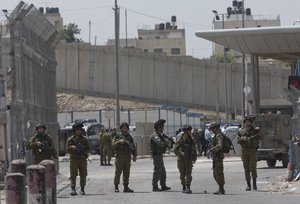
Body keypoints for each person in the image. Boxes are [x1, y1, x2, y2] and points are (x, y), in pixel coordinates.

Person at [65, 122, 91, 196]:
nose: (79, 131)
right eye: (77, 130)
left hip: (82, 159)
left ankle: (82, 189)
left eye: (80, 130)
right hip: (74, 159)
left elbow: (89, 148)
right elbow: (66, 149)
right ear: (74, 131)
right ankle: (73, 189)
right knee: (73, 174)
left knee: (83, 174)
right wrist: (71, 147)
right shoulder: (70, 140)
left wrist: (85, 152)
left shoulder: (84, 139)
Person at [237, 116, 261, 191]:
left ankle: (254, 184)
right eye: (246, 122)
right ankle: (248, 185)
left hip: (252, 150)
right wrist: (242, 138)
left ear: (251, 122)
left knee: (252, 167)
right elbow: (237, 141)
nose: (247, 123)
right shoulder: (241, 131)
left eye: (249, 122)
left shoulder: (255, 130)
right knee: (246, 168)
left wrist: (258, 132)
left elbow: (261, 137)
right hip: (244, 151)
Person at [113, 122, 137, 193]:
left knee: (126, 172)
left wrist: (134, 156)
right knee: (118, 172)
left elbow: (133, 147)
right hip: (119, 156)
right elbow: (113, 145)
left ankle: (126, 187)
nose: (125, 129)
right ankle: (116, 186)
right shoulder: (117, 136)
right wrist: (119, 142)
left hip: (127, 156)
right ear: (121, 129)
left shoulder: (129, 137)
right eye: (123, 128)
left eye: (126, 128)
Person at [173, 125, 197, 194]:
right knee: (182, 174)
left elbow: (194, 148)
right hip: (181, 159)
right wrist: (181, 153)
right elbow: (175, 149)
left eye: (190, 130)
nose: (190, 132)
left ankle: (188, 187)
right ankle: (184, 186)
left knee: (188, 173)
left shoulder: (191, 139)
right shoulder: (180, 139)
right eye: (189, 130)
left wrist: (194, 157)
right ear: (186, 131)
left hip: (189, 159)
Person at [150, 119, 172, 192]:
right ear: (157, 128)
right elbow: (160, 144)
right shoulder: (155, 136)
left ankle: (163, 185)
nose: (162, 128)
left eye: (163, 127)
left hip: (160, 155)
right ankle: (155, 186)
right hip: (156, 155)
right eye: (161, 127)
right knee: (157, 170)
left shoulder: (160, 135)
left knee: (163, 171)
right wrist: (166, 142)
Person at [207, 122, 225, 195]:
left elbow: (220, 146)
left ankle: (221, 189)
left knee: (218, 173)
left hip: (218, 157)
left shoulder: (219, 135)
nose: (212, 130)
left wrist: (211, 150)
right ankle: (220, 188)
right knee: (216, 173)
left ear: (215, 128)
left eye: (212, 129)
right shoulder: (216, 135)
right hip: (216, 157)